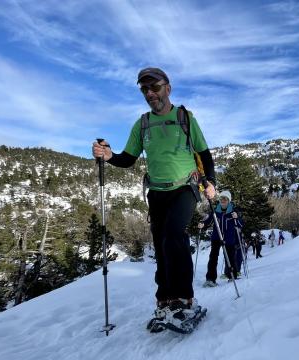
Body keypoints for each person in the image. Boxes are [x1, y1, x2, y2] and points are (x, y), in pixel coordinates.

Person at [92, 67, 216, 325]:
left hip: (185, 188)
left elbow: (204, 153)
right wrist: (109, 156)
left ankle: (183, 298)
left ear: (167, 88)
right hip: (157, 192)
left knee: (174, 236)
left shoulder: (185, 118)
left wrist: (211, 182)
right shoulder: (143, 123)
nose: (150, 93)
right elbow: (128, 159)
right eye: (144, 89)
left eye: (155, 87)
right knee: (160, 245)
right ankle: (165, 298)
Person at [198, 190, 243, 286]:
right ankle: (210, 279)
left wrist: (236, 218)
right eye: (221, 199)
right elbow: (208, 221)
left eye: (225, 199)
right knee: (213, 258)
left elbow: (240, 224)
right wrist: (203, 224)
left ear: (229, 201)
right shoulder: (215, 211)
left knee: (230, 258)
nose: (223, 201)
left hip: (229, 239)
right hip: (216, 237)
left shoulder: (233, 212)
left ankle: (232, 276)